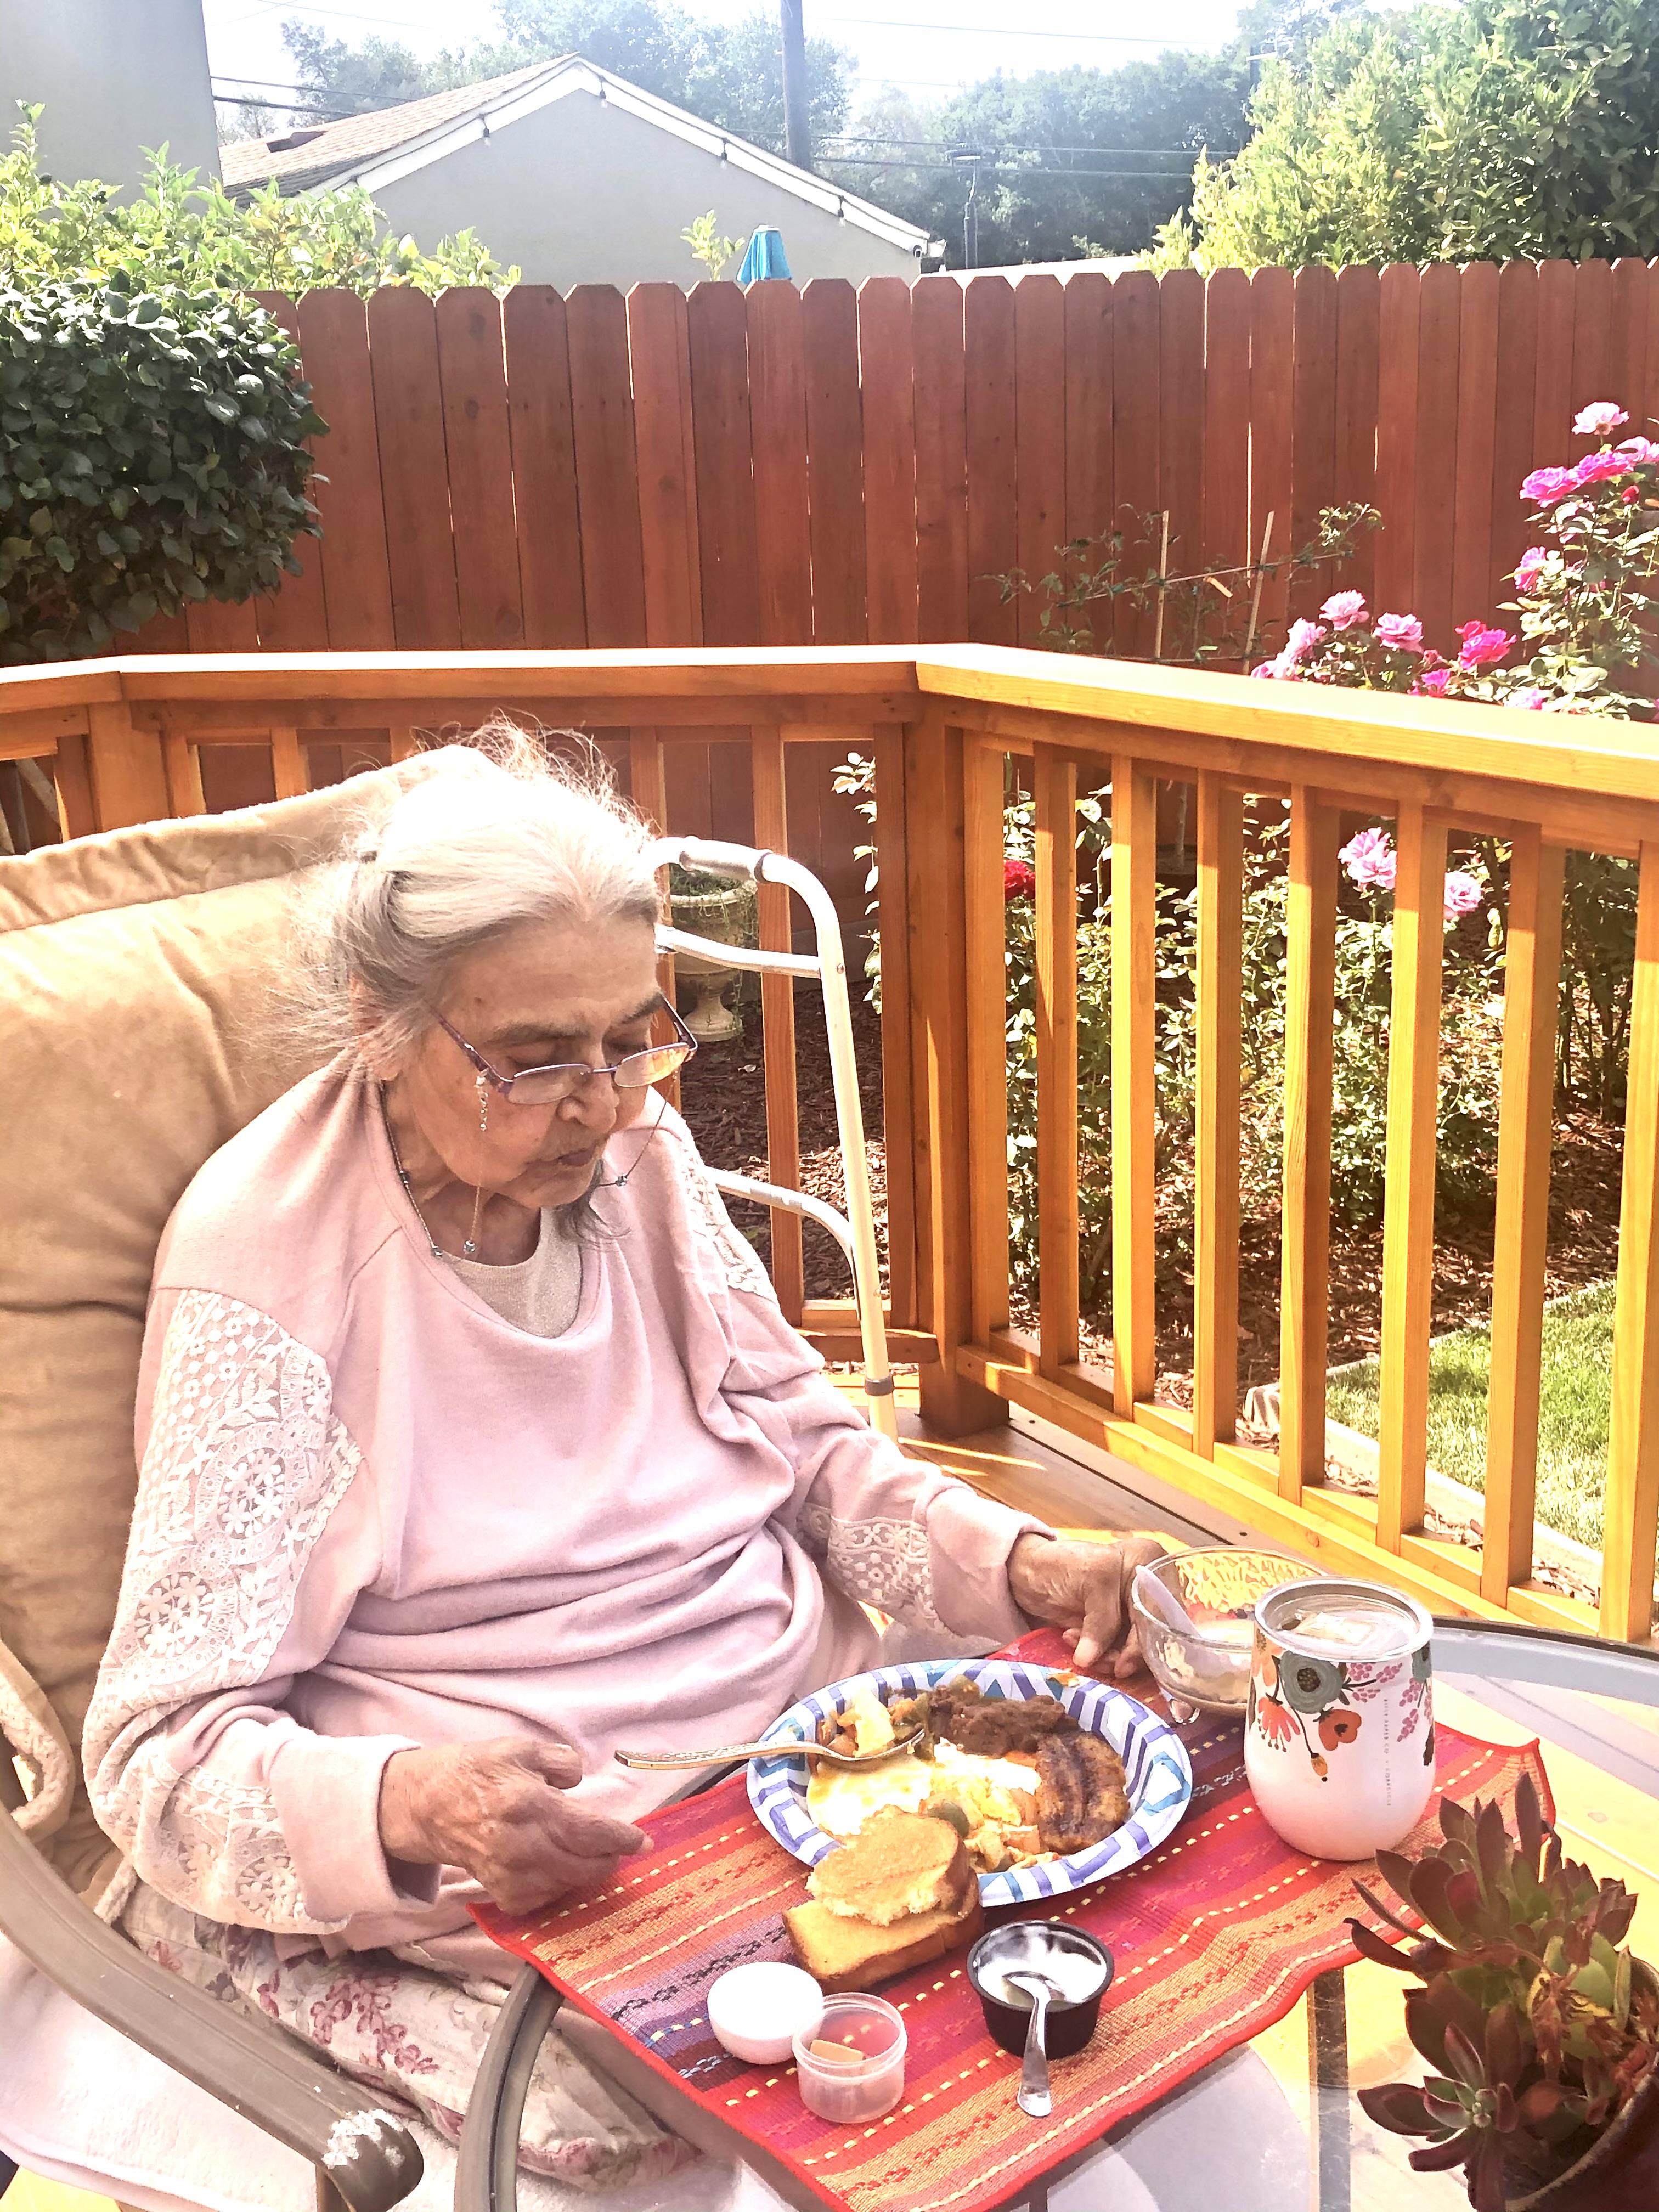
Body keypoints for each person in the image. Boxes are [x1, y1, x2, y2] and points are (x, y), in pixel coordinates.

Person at [83, 732, 1164, 2188]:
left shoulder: (630, 1160)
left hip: (816, 1766)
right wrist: (408, 1801)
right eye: (533, 1058)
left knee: (1141, 1915)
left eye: (635, 1039)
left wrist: (1024, 1559)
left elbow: (813, 1451)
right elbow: (157, 1751)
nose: (601, 1105)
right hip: (549, 1841)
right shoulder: (269, 1270)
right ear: (380, 1022)